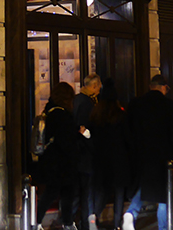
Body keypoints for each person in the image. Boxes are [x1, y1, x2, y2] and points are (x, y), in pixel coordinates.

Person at [123, 74, 173, 230]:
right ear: (163, 87)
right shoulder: (169, 105)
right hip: (162, 155)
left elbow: (128, 129)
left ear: (150, 86)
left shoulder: (136, 104)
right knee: (163, 194)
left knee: (143, 185)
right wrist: (172, 153)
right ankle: (163, 227)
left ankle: (131, 212)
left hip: (140, 154)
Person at [35, 82, 89, 230]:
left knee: (59, 193)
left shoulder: (50, 111)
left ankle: (61, 222)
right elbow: (66, 140)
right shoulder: (62, 114)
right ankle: (63, 223)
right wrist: (78, 135)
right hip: (62, 163)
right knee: (61, 194)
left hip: (53, 161)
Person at [90, 78, 131, 230]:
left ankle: (93, 218)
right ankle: (117, 225)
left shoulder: (96, 114)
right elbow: (128, 137)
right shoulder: (120, 115)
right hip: (119, 158)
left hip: (101, 158)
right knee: (119, 193)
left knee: (102, 191)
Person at [73, 73, 101, 230]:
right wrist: (92, 143)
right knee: (88, 192)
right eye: (99, 86)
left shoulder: (77, 100)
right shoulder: (88, 104)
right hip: (86, 155)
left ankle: (71, 221)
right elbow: (84, 129)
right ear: (94, 86)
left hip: (77, 154)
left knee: (78, 191)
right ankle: (88, 224)